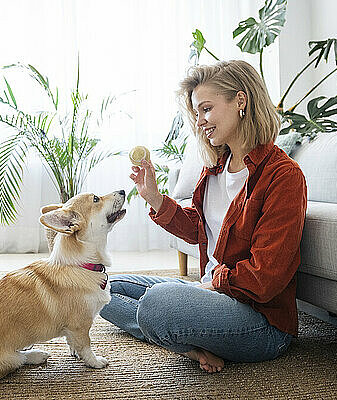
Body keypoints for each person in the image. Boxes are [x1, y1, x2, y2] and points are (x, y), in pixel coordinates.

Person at [99, 60, 307, 373]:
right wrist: (154, 198)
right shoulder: (216, 168)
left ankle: (173, 327)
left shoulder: (283, 176)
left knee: (158, 303)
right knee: (103, 290)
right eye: (196, 113)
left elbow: (265, 277)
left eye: (206, 109)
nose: (199, 122)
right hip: (211, 292)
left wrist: (209, 286)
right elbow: (201, 228)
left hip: (260, 321)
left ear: (240, 100)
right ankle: (192, 347)